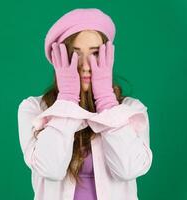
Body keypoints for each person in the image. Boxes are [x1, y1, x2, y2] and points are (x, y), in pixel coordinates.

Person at [17, 8, 153, 200]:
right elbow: (50, 169)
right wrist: (67, 100)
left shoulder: (131, 110)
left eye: (95, 53)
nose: (86, 66)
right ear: (58, 59)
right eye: (75, 54)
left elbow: (129, 169)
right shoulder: (34, 109)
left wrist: (106, 100)